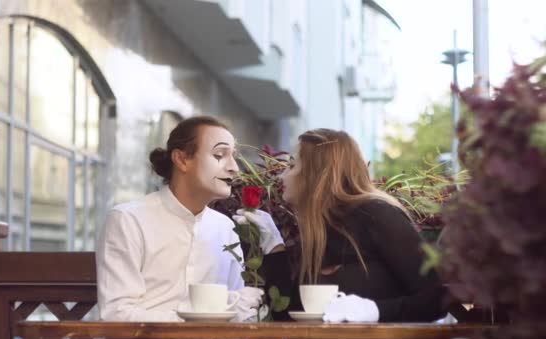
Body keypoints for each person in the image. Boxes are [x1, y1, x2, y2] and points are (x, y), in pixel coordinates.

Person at [235, 128, 449, 322]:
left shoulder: (377, 214)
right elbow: (289, 315)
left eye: (292, 165)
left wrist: (375, 311)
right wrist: (274, 246)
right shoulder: (316, 231)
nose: (282, 175)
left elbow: (436, 301)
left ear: (316, 172)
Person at [96, 116, 263, 322]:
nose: (234, 168)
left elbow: (237, 313)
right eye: (220, 154)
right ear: (182, 160)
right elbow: (116, 314)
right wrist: (200, 317)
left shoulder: (226, 228)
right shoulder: (128, 221)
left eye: (233, 156)